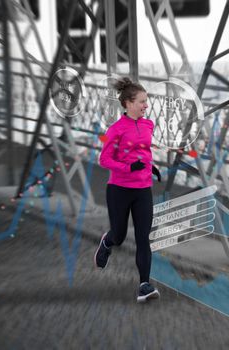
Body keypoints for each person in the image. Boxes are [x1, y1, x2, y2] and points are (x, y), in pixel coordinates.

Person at [94, 77, 162, 303]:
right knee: (120, 235)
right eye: (142, 102)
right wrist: (127, 167)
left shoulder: (148, 124)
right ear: (128, 103)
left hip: (143, 189)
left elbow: (141, 151)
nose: (146, 105)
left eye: (146, 101)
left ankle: (144, 285)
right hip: (119, 189)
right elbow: (104, 159)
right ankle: (107, 241)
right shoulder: (116, 130)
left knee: (143, 238)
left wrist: (150, 166)